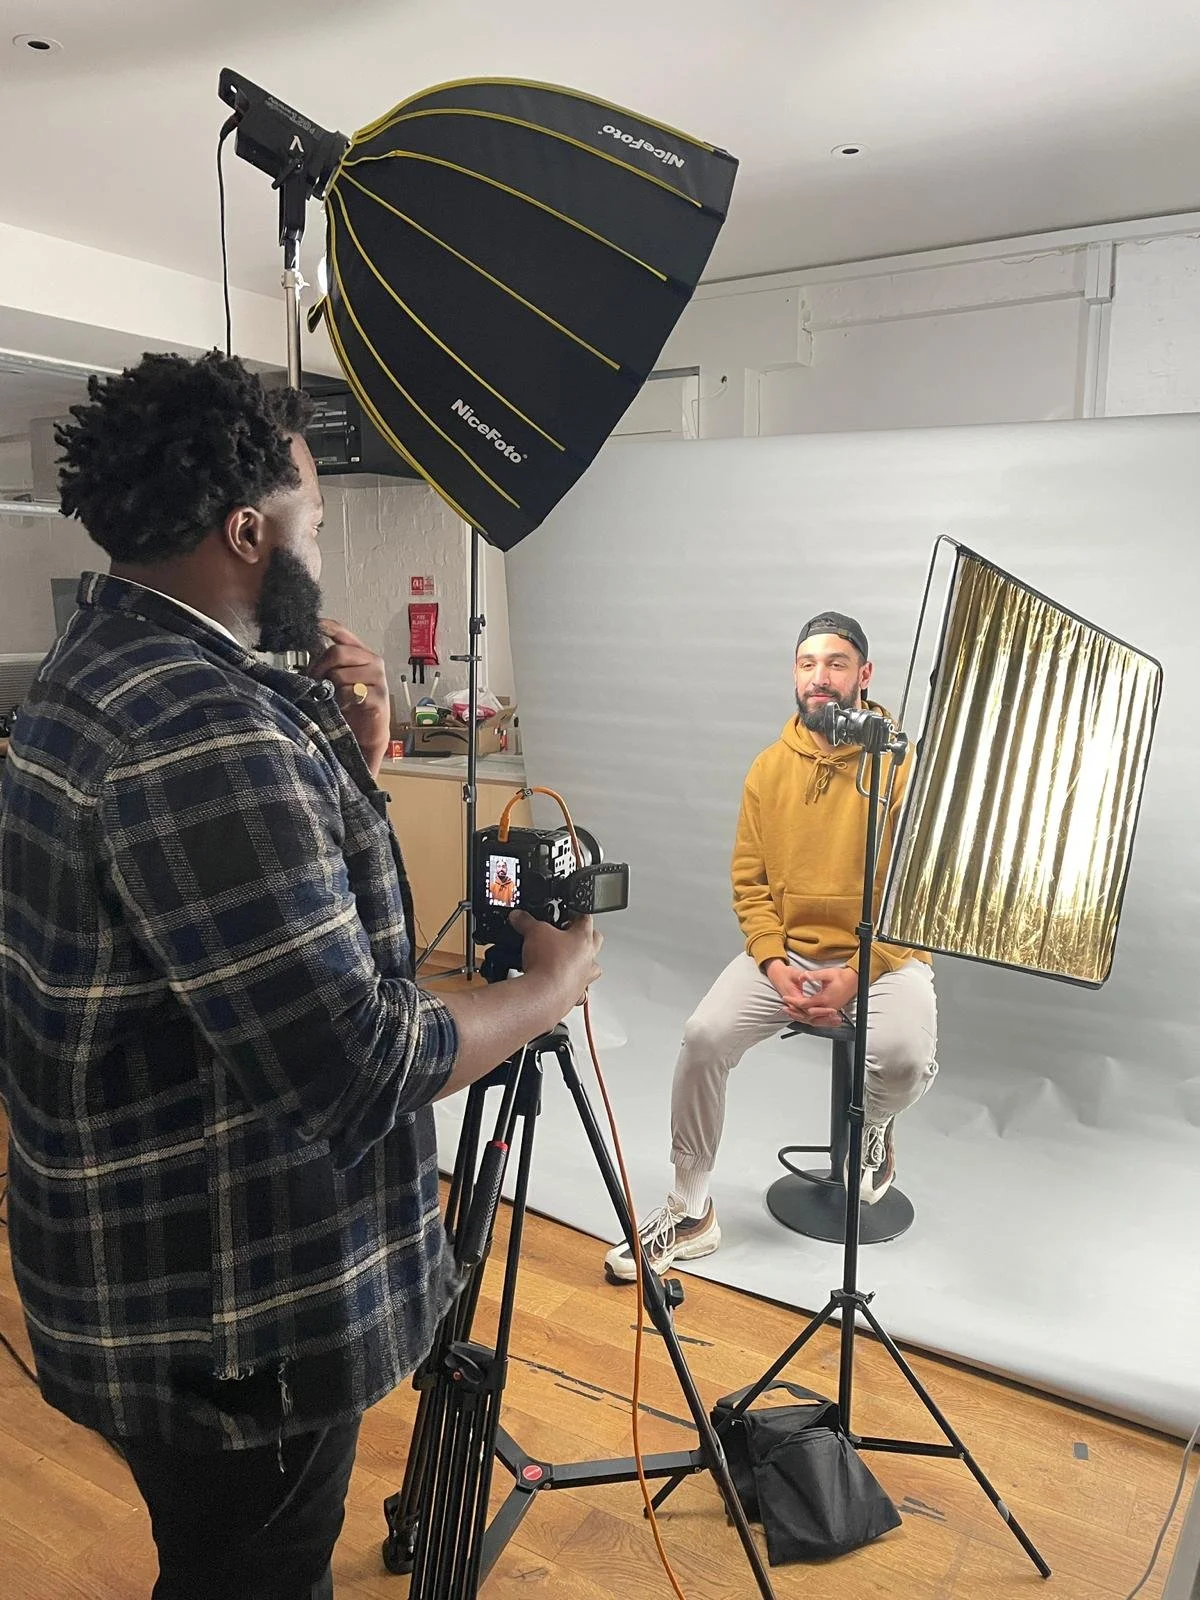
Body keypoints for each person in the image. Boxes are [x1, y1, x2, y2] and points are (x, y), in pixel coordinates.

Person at [0, 351, 601, 1600]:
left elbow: (251, 940)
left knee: (232, 1562)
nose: (321, 547)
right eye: (315, 523)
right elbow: (360, 1060)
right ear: (246, 532)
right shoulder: (205, 731)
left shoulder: (103, 667)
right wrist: (553, 985)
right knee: (258, 1574)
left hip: (139, 1269)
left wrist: (356, 755)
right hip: (232, 1311)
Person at [604, 611, 937, 1284]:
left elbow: (916, 896)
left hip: (885, 958)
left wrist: (854, 975)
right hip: (787, 956)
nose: (820, 677)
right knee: (703, 1036)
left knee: (903, 1057)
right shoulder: (768, 769)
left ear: (865, 676)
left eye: (836, 663)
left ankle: (871, 1131)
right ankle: (691, 1207)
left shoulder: (901, 770)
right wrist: (775, 964)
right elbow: (750, 885)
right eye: (807, 663)